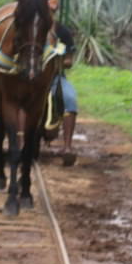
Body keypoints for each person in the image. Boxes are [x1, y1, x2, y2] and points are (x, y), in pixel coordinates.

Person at [51, 17, 79, 166]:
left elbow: (69, 59)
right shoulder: (29, 26)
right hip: (32, 79)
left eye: (52, 11)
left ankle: (67, 146)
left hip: (55, 78)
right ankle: (21, 144)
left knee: (70, 97)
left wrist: (62, 62)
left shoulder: (63, 32)